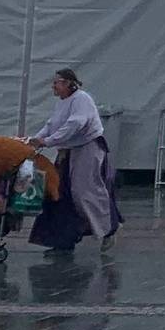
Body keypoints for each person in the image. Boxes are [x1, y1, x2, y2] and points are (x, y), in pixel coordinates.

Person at [26, 68, 123, 255]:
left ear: (68, 83)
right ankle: (63, 241)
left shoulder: (82, 99)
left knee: (83, 190)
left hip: (87, 148)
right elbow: (51, 125)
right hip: (69, 150)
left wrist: (47, 142)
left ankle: (109, 227)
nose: (53, 86)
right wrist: (34, 141)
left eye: (56, 82)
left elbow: (76, 124)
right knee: (58, 192)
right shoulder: (63, 103)